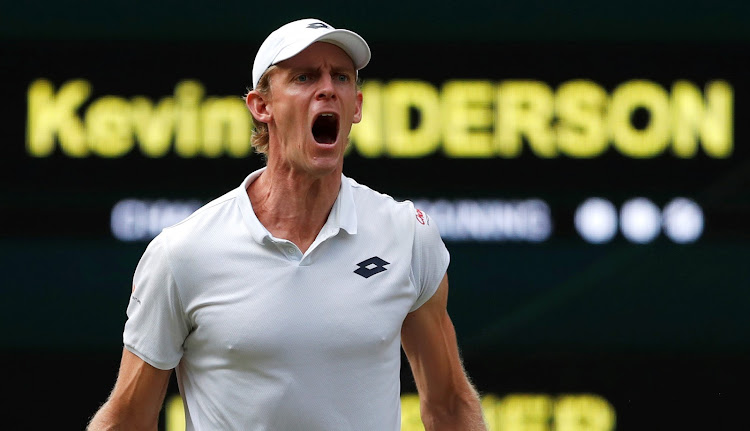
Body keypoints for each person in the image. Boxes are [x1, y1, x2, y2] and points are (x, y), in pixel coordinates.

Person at [87, 18, 486, 431]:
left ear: (357, 106)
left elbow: (450, 407)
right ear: (262, 106)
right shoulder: (182, 253)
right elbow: (128, 420)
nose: (328, 87)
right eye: (304, 76)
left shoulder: (408, 235)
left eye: (342, 77)